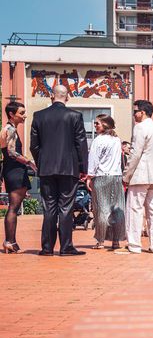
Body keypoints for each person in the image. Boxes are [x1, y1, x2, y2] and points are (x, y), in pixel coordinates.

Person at [30, 85, 89, 257]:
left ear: (51, 96)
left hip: (46, 168)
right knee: (66, 207)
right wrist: (83, 168)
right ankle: (66, 247)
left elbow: (34, 146)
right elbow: (81, 145)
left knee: (49, 207)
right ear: (67, 97)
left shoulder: (39, 116)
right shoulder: (75, 116)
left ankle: (47, 248)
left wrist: (41, 162)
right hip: (68, 168)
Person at [122, 100, 153, 254]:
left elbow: (135, 153)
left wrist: (126, 175)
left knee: (134, 209)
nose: (134, 115)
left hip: (140, 174)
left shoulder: (140, 127)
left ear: (143, 112)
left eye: (135, 112)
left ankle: (134, 244)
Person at [86, 114, 126, 250]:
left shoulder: (98, 140)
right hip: (116, 177)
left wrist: (89, 177)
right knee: (117, 209)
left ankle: (101, 240)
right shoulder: (117, 140)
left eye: (97, 123)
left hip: (101, 177)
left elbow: (93, 160)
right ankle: (116, 241)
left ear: (105, 125)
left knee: (101, 210)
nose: (95, 126)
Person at [1, 102, 36, 254]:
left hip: (13, 170)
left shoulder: (8, 129)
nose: (24, 116)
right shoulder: (10, 129)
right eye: (21, 113)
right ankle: (9, 241)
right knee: (13, 208)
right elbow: (11, 152)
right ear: (11, 114)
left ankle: (11, 241)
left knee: (14, 207)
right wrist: (30, 162)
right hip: (15, 171)